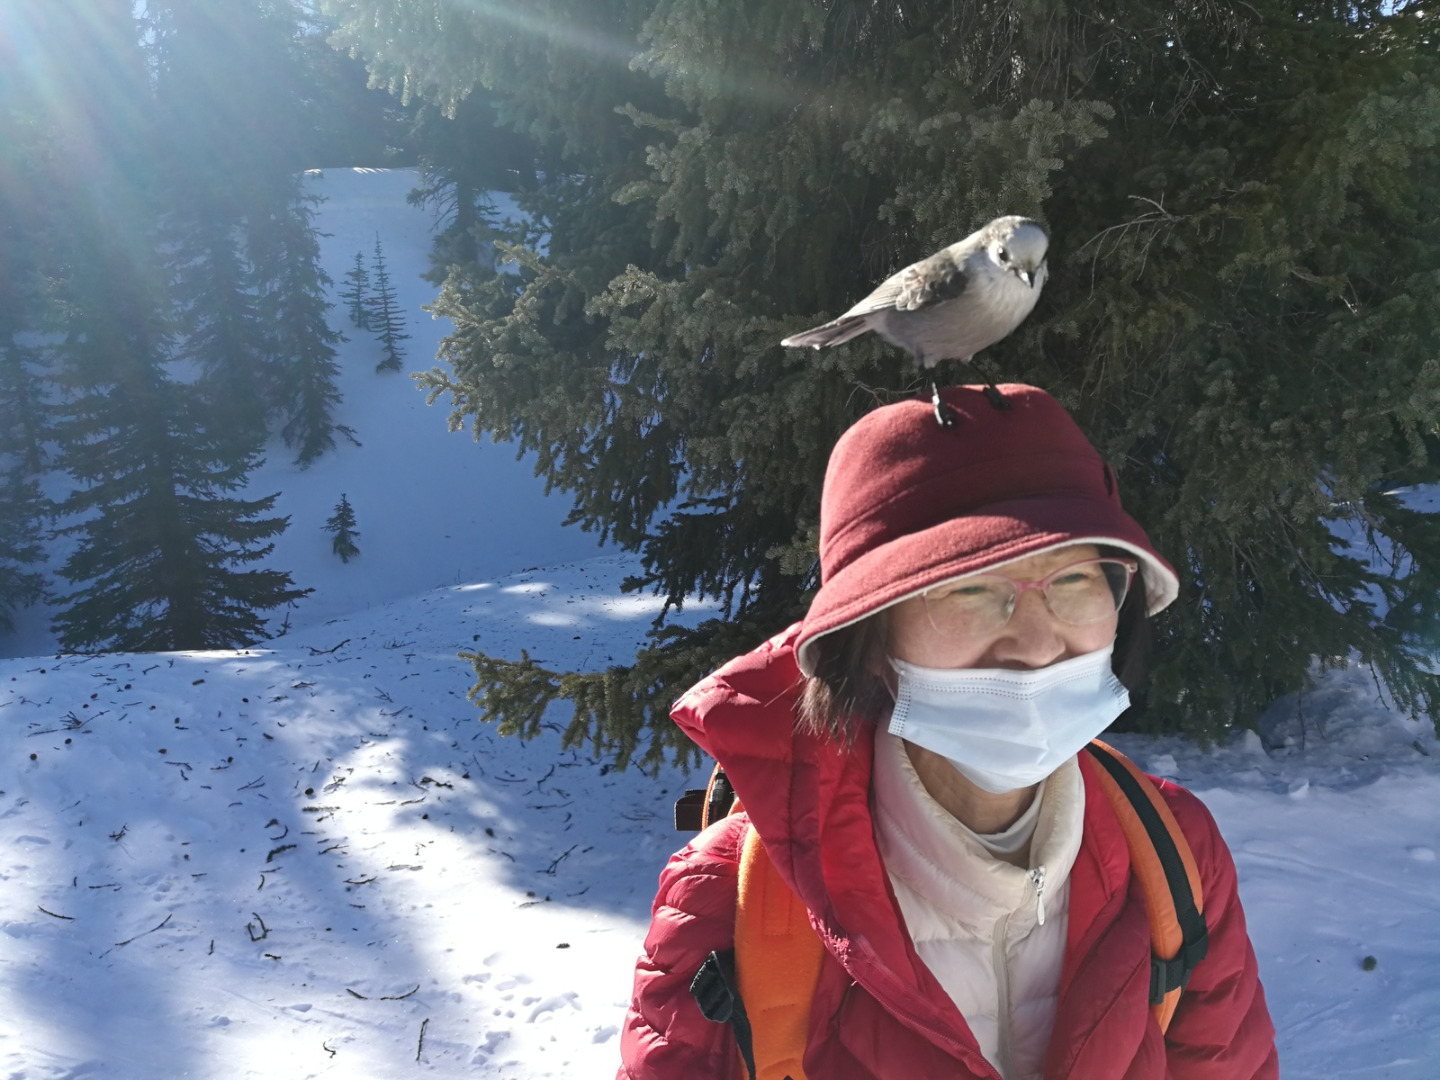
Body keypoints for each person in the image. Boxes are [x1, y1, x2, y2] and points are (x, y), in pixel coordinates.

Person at [617, 384, 1278, 1080]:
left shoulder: (1174, 855)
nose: (1037, 643)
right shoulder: (731, 900)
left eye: (1076, 581)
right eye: (968, 588)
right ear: (870, 640)